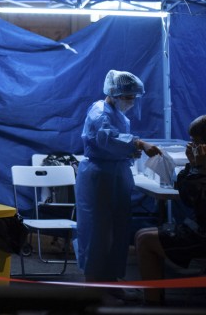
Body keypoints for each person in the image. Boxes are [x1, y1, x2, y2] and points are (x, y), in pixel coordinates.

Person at [134, 115, 206, 305]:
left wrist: (200, 169)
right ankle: (154, 296)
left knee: (145, 240)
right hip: (204, 231)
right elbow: (186, 194)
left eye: (195, 145)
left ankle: (152, 303)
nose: (192, 148)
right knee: (142, 234)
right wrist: (192, 166)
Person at [74, 69, 161, 283]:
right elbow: (107, 139)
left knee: (118, 231)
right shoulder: (99, 111)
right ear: (114, 93)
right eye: (128, 97)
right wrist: (138, 144)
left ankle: (111, 282)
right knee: (99, 233)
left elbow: (116, 144)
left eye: (133, 97)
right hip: (99, 176)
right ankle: (95, 285)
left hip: (115, 174)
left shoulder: (118, 115)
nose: (131, 101)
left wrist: (132, 150)